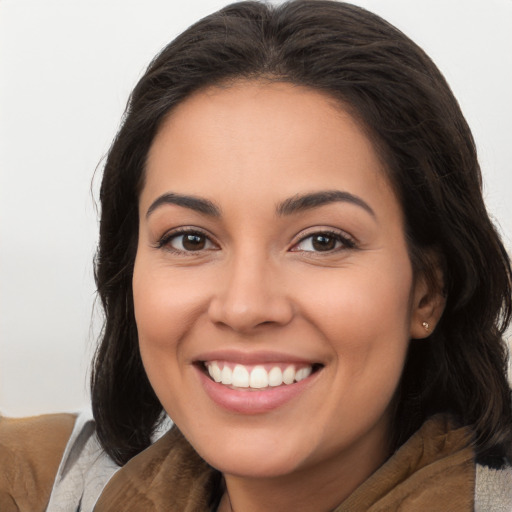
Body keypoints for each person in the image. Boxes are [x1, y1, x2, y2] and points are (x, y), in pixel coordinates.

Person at [1, 1, 511, 510]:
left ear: (428, 291)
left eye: (322, 241)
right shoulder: (39, 485)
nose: (244, 307)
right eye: (191, 239)